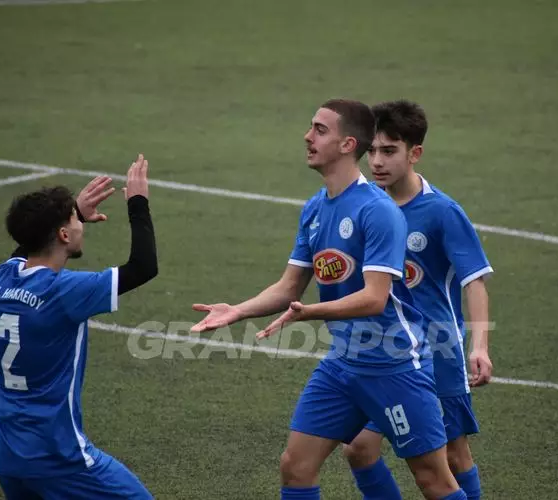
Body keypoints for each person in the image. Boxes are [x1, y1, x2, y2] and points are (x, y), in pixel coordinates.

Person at [192, 100, 467, 500]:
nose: (308, 137)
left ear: (347, 144)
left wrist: (310, 313)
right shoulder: (315, 208)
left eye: (320, 130)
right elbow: (289, 287)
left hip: (393, 365)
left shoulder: (378, 211)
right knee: (296, 466)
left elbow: (374, 298)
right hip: (343, 363)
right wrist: (237, 310)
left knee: (433, 480)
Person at [342, 100, 493, 500]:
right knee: (358, 447)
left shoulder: (441, 212)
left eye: (389, 151)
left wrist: (480, 346)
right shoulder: (366, 206)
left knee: (454, 456)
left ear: (415, 153)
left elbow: (475, 281)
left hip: (438, 350)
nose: (377, 161)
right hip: (386, 351)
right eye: (372, 150)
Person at [0, 155, 158, 499]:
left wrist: (74, 210)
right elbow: (143, 267)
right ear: (63, 234)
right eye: (75, 221)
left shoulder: (2, 278)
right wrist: (138, 203)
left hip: (9, 458)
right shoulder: (63, 292)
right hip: (59, 457)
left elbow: (26, 246)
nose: (81, 225)